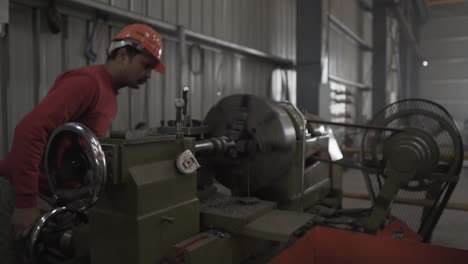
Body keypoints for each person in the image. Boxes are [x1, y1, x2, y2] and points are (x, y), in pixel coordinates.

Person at [0, 23, 165, 262]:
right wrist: (26, 202)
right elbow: (30, 130)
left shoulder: (110, 94)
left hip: (51, 197)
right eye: (146, 65)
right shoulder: (88, 83)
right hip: (23, 195)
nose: (149, 75)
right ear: (122, 55)